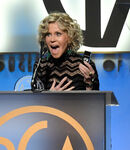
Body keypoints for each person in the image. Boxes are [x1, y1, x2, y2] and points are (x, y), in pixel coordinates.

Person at [31, 12, 99, 91]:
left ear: (70, 37)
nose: (52, 39)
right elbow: (35, 101)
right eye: (48, 34)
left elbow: (94, 102)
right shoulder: (41, 65)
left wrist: (89, 84)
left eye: (58, 34)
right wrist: (49, 96)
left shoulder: (85, 65)